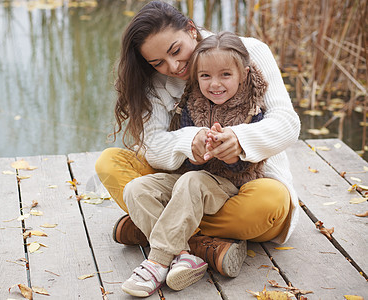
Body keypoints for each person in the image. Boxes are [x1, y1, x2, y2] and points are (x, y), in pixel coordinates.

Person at [95, 0, 300, 297]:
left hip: (244, 189)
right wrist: (188, 141)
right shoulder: (156, 83)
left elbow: (287, 122)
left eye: (176, 51)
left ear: (191, 30)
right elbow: (152, 146)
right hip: (185, 181)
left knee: (272, 201)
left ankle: (153, 230)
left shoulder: (248, 51)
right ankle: (199, 249)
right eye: (158, 63)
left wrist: (239, 140)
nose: (173, 67)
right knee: (111, 164)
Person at [121, 31, 271, 297]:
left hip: (229, 185)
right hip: (191, 179)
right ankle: (186, 256)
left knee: (192, 181)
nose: (215, 84)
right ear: (196, 76)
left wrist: (233, 153)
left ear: (244, 74)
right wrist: (195, 147)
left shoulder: (250, 106)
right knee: (137, 188)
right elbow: (185, 141)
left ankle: (157, 261)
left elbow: (251, 160)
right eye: (205, 76)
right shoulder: (191, 101)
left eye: (225, 75)